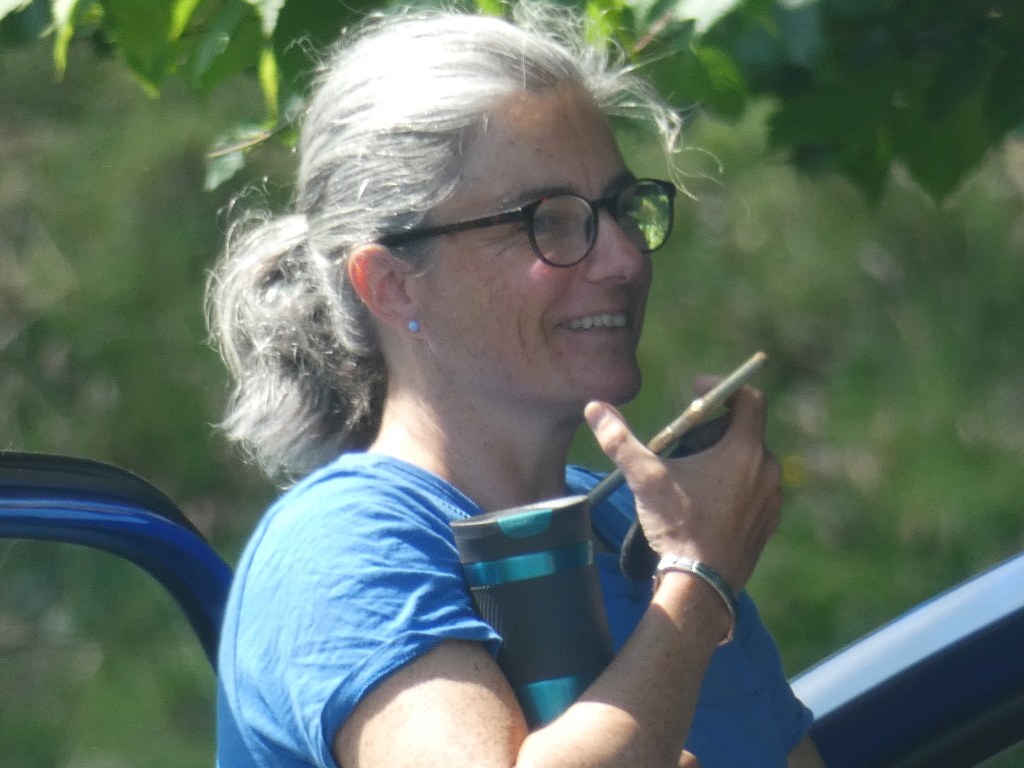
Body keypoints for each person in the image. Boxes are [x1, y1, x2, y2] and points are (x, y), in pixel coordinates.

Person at [208, 6, 825, 768]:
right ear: (393, 285)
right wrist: (699, 584)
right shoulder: (342, 550)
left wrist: (691, 570)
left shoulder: (640, 528)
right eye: (549, 221)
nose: (625, 259)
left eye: (621, 210)